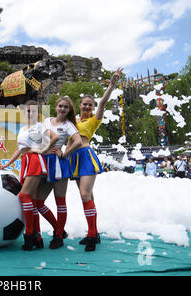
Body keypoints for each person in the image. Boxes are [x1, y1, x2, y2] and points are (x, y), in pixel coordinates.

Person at [67, 67, 123, 252]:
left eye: (90, 104)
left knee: (84, 194)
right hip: (72, 159)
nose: (87, 107)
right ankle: (94, 233)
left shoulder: (94, 120)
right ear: (80, 105)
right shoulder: (73, 121)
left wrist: (112, 85)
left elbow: (103, 103)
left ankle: (92, 235)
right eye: (84, 104)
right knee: (87, 197)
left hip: (86, 157)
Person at [0, 100, 59, 251]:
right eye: (28, 110)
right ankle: (40, 236)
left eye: (33, 111)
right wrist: (7, 164)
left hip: (35, 161)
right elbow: (19, 150)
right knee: (32, 200)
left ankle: (30, 234)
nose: (30, 113)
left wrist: (42, 150)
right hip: (25, 161)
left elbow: (55, 137)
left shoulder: (40, 126)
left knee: (24, 197)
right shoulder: (23, 129)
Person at [35, 96, 82, 249]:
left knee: (60, 202)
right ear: (55, 107)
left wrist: (65, 153)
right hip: (45, 161)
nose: (62, 109)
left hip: (59, 164)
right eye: (60, 106)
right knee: (39, 202)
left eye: (65, 107)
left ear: (69, 110)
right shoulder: (47, 120)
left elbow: (78, 141)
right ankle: (59, 229)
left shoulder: (68, 125)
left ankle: (58, 236)